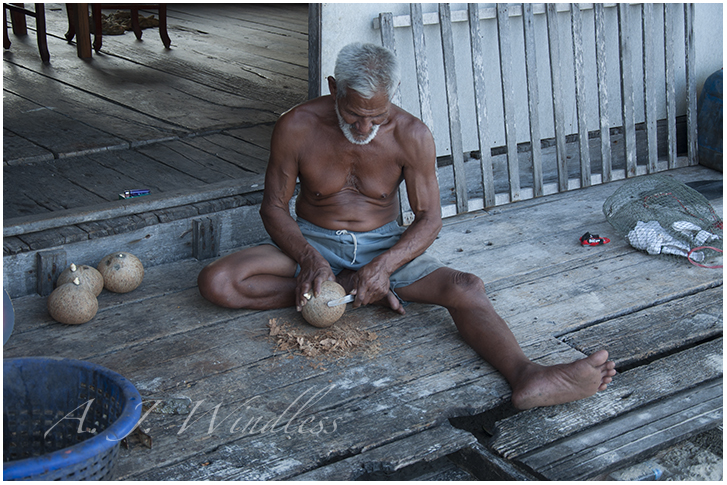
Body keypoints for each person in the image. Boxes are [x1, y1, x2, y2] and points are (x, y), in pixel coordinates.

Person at [198, 43, 616, 410]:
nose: (363, 129)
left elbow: (429, 218)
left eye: (376, 116)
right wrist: (310, 259)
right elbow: (273, 207)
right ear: (333, 88)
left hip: (384, 244)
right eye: (353, 114)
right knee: (219, 282)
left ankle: (528, 375)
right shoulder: (297, 125)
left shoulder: (412, 134)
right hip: (313, 239)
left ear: (392, 98)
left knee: (465, 287)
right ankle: (349, 289)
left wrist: (383, 268)